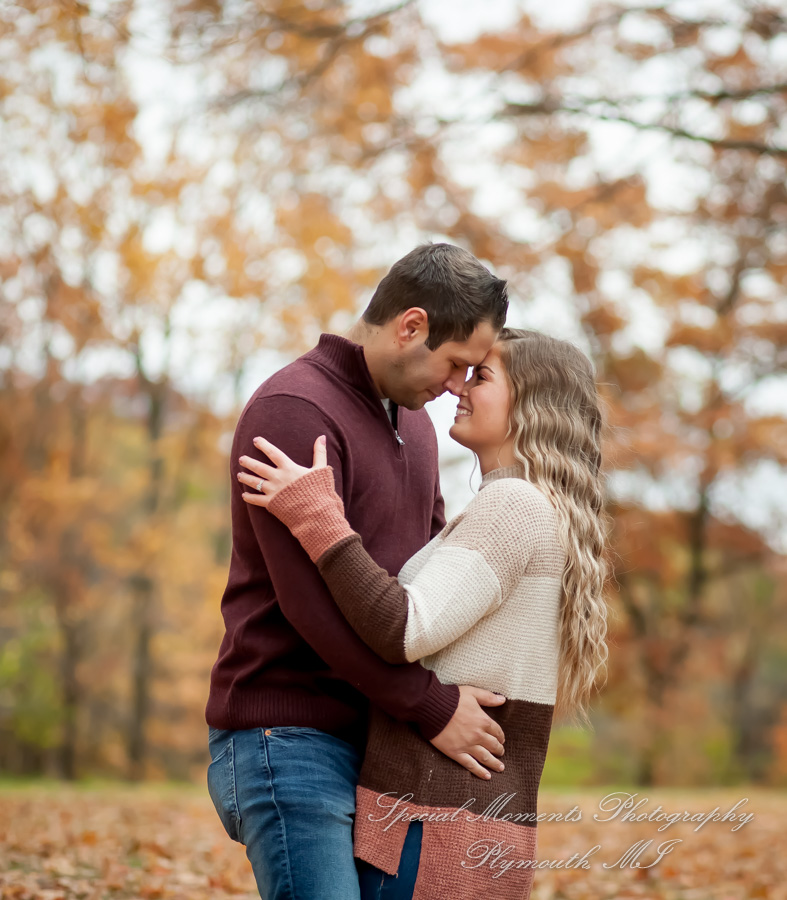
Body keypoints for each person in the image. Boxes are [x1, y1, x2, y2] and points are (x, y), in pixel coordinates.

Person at [238, 328, 610, 899]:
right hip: (471, 823)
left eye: (481, 376)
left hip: (431, 820)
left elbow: (403, 627)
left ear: (531, 404)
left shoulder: (511, 508)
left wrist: (320, 519)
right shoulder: (530, 508)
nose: (460, 386)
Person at [205, 243, 511, 900]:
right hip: (285, 734)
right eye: (456, 363)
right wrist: (430, 707)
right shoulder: (294, 410)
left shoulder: (417, 426)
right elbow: (307, 608)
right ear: (410, 326)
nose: (458, 385)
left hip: (380, 739)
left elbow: (425, 586)